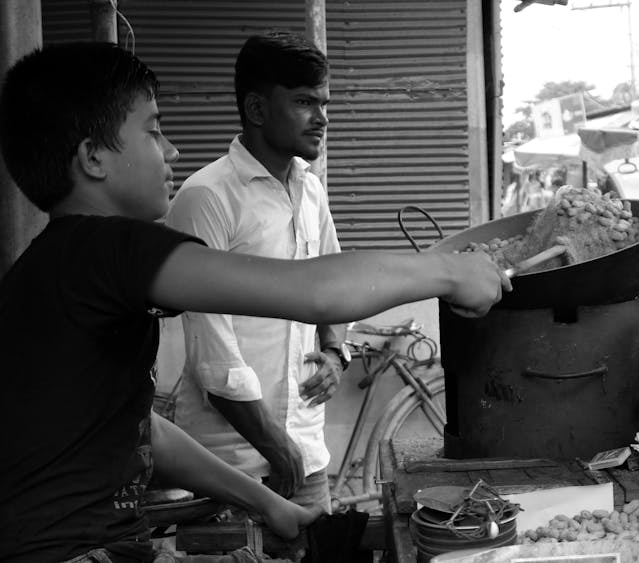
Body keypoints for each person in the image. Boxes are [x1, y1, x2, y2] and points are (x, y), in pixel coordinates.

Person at [0, 42, 510, 563]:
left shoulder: (57, 266)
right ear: (92, 158)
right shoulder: (106, 247)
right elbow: (314, 292)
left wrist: (266, 503)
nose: (172, 150)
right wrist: (448, 270)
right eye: (153, 131)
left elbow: (139, 429)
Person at [165, 31, 339, 511]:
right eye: (305, 102)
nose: (322, 119)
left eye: (324, 103)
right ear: (258, 110)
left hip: (307, 452)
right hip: (230, 465)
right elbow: (211, 351)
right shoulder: (207, 197)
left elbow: (332, 284)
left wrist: (335, 352)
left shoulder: (311, 191)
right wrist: (272, 444)